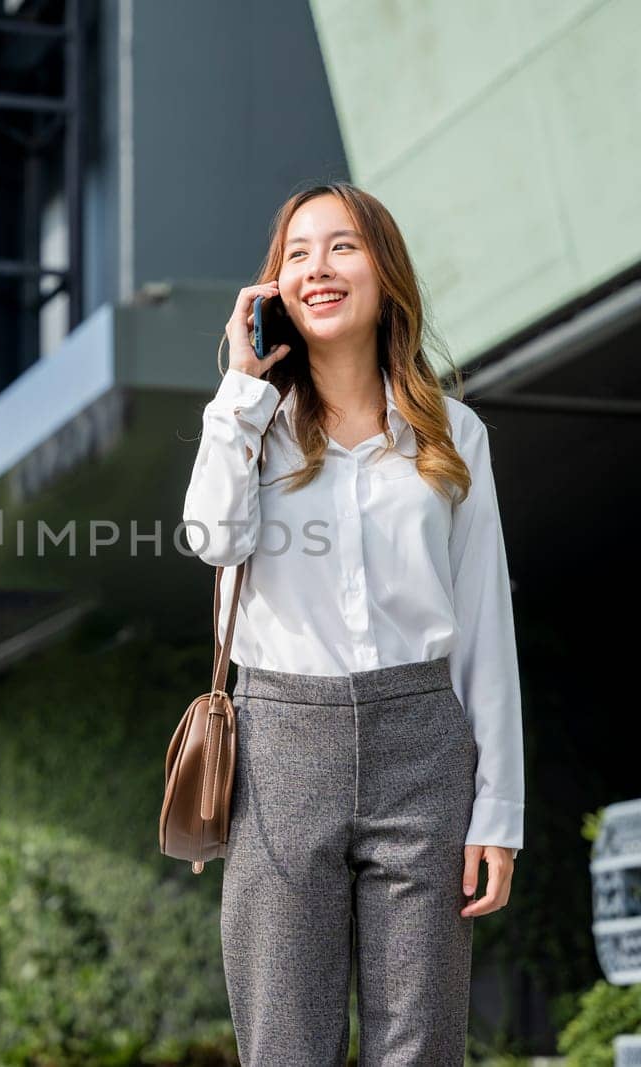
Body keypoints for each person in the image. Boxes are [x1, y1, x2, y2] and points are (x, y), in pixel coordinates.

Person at [180, 181, 523, 1065]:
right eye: (296, 253)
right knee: (286, 1044)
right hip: (281, 743)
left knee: (422, 1046)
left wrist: (500, 810)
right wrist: (240, 388)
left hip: (424, 746)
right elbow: (210, 537)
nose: (317, 268)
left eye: (342, 246)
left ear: (385, 271)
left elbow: (486, 623)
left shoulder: (455, 435)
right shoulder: (253, 426)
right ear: (272, 289)